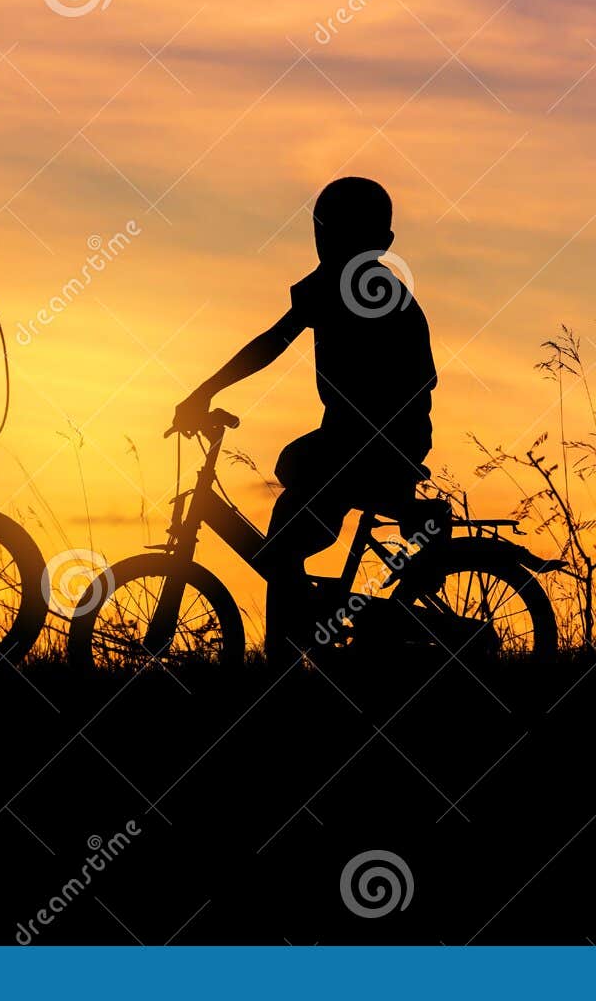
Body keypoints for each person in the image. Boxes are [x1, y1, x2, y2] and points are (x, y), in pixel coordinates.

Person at [171, 177, 437, 664]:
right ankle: (294, 637)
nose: (324, 242)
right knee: (291, 499)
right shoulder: (362, 285)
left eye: (332, 232)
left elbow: (272, 343)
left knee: (285, 534)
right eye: (322, 231)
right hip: (374, 437)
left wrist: (203, 392)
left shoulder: (351, 284)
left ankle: (281, 658)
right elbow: (276, 342)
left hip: (374, 440)